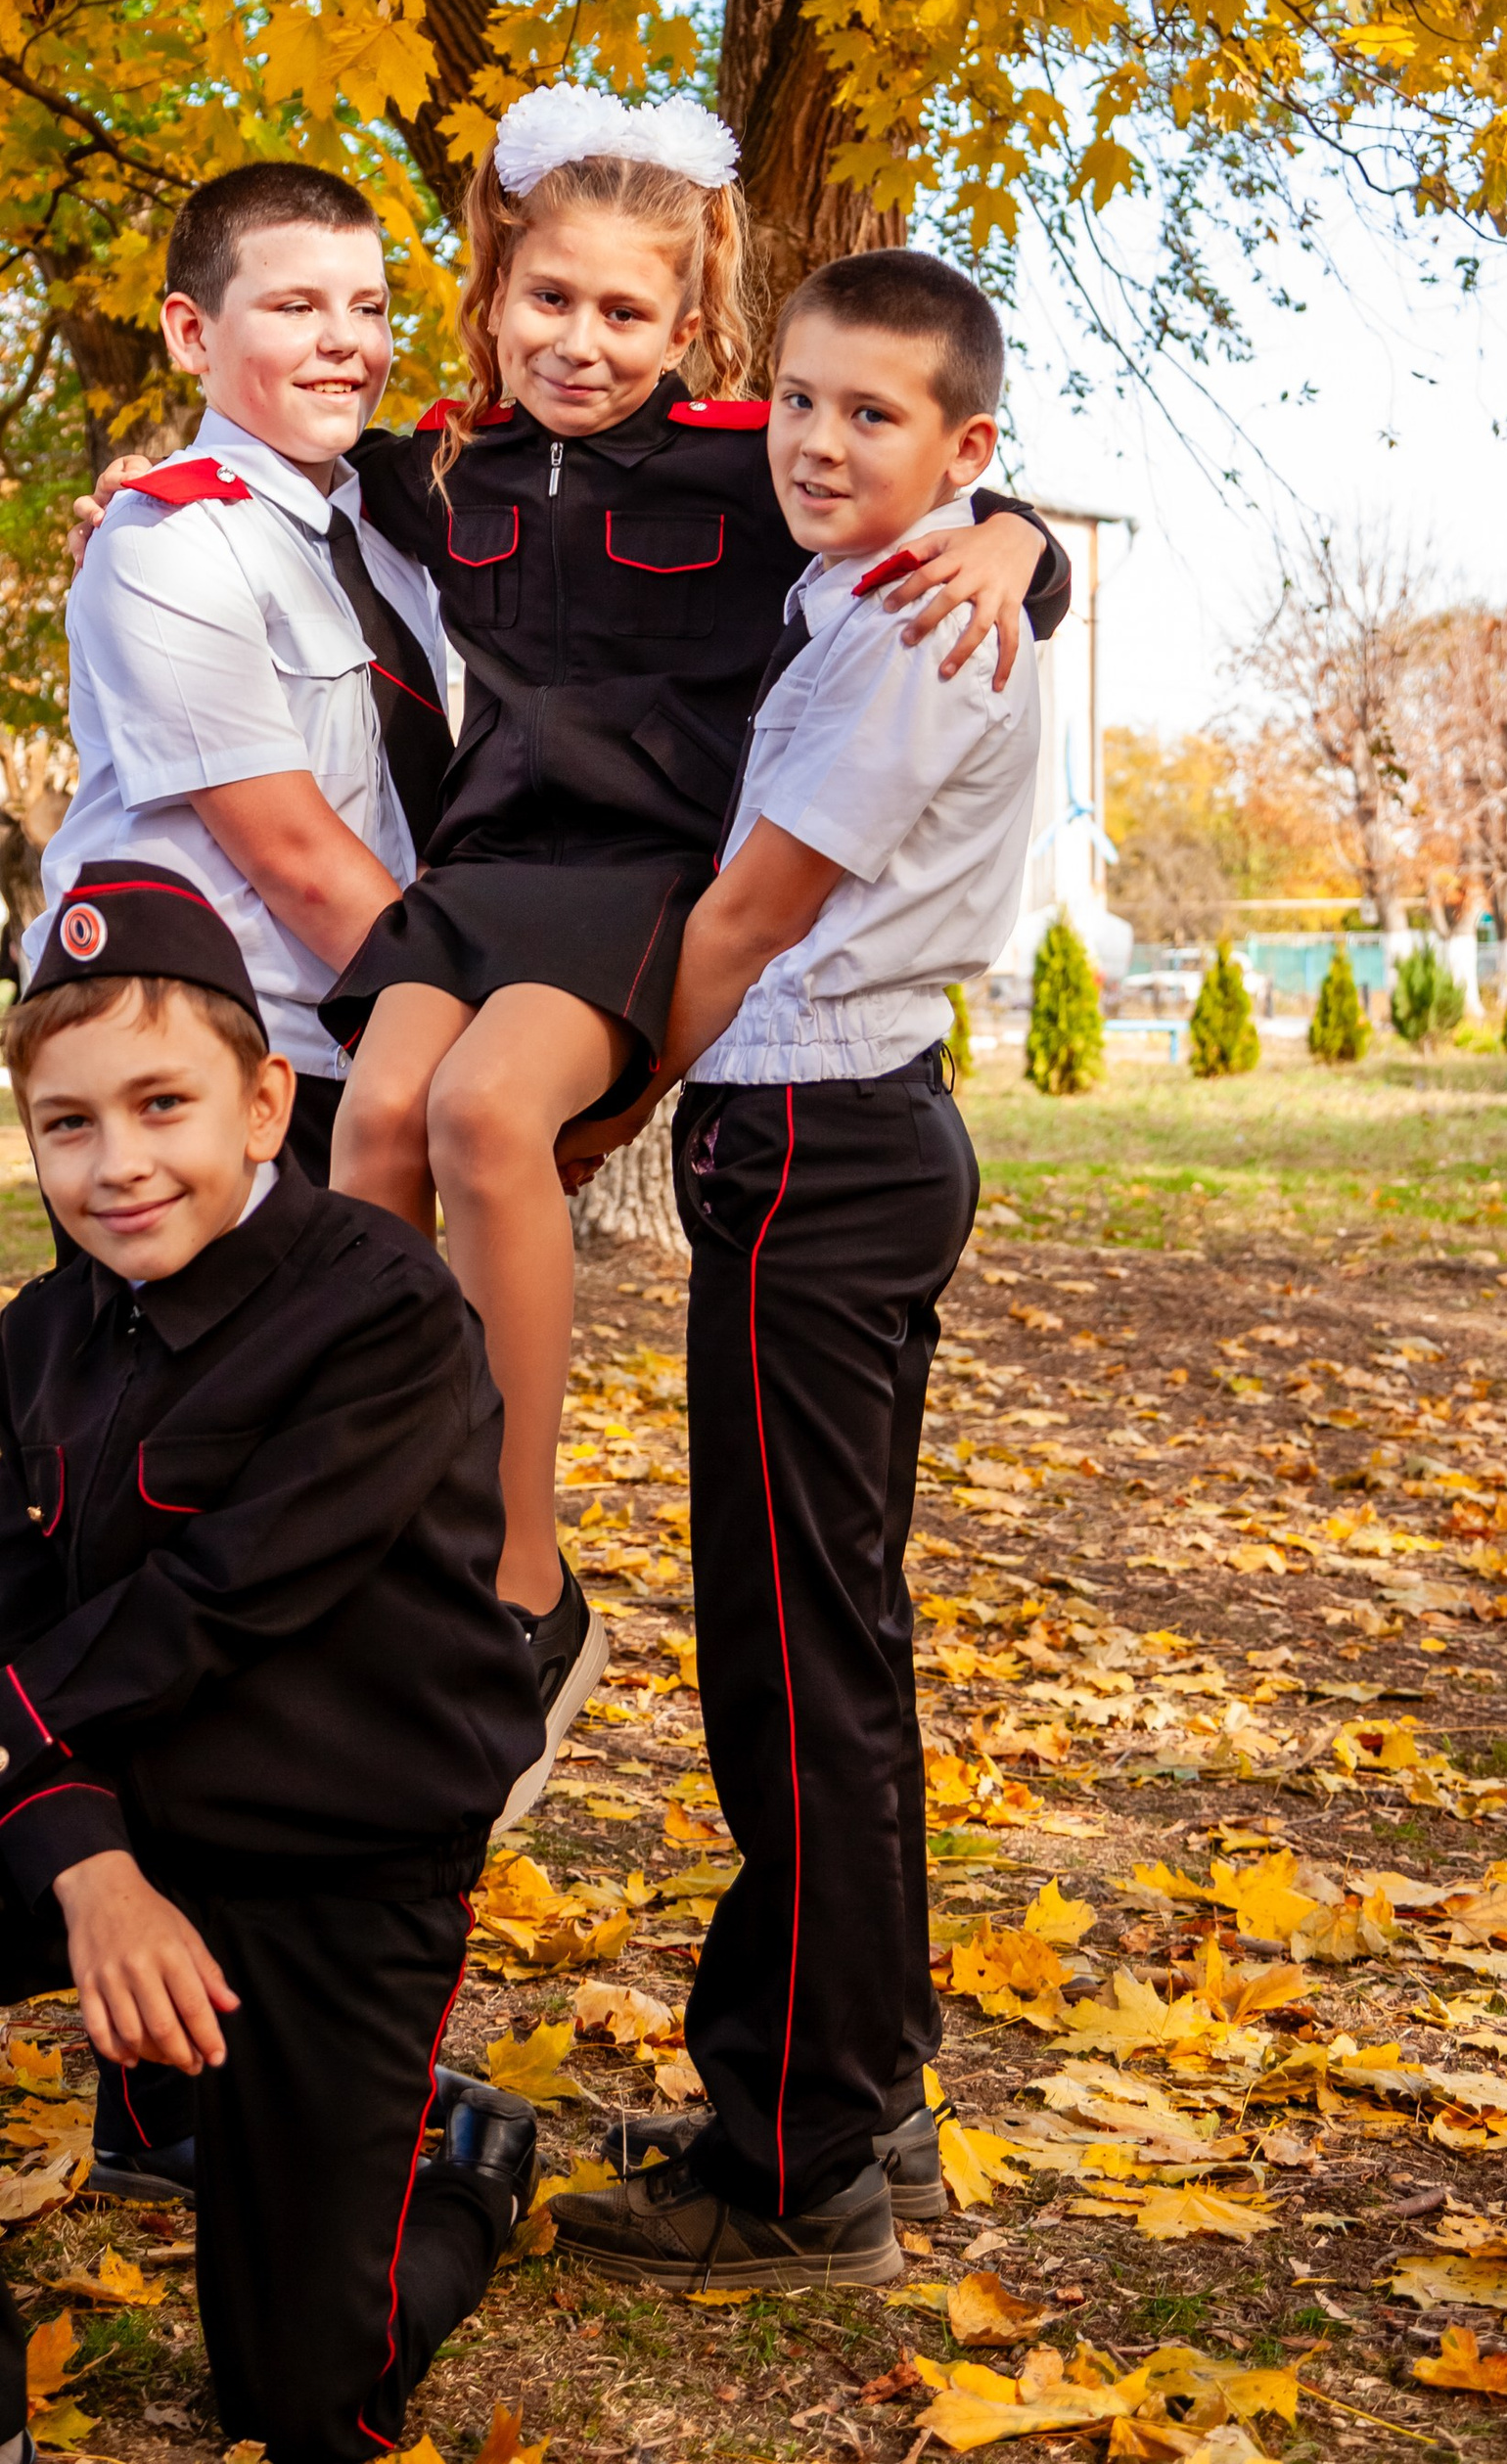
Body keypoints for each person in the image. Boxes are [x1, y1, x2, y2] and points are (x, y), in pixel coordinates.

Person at [319, 87, 1070, 1814]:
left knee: (493, 1124)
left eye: (624, 312)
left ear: (689, 322)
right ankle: (370, 1522)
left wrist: (1022, 543)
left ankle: (521, 1580)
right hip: (490, 862)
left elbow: (958, 509)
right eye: (547, 301)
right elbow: (269, 459)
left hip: (651, 872)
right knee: (376, 1127)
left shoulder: (753, 457)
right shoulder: (442, 467)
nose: (579, 343)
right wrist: (142, 482)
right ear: (494, 292)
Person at [0, 864, 543, 2464]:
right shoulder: (46, 1333)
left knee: (301, 2394)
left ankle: (464, 2177)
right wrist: (92, 1870)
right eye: (67, 1124)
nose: (118, 1166)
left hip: (343, 1857)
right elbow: (2, 1630)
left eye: (162, 1104)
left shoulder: (388, 1310)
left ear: (264, 1105)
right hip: (132, 1808)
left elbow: (211, 1601)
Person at [545, 251, 1049, 2296]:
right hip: (850, 1133)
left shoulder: (905, 636)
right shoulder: (881, 586)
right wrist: (1014, 542)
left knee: (792, 1663)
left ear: (963, 449)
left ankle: (793, 2156)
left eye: (875, 417)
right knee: (831, 1638)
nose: (822, 445)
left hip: (814, 1150)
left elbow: (746, 917)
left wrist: (589, 1113)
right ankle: (870, 2084)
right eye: (803, 407)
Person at [36, 160, 451, 1191]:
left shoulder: (392, 539)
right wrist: (471, 1044)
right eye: (295, 306)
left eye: (369, 306)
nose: (345, 342)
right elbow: (296, 857)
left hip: (371, 1038)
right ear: (191, 335)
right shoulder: (167, 541)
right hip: (218, 1056)